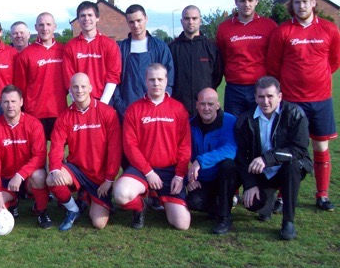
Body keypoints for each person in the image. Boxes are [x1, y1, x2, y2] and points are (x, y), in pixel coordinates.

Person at [267, 0, 340, 212]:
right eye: (297, 2)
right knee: (287, 148)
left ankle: (322, 195)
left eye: (305, 1)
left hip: (320, 100)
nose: (301, 6)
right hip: (291, 101)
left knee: (320, 146)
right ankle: (281, 196)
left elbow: (335, 61)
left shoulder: (330, 30)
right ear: (292, 5)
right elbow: (273, 65)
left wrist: (317, 79)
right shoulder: (283, 31)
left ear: (314, 3)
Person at [113, 64, 191, 230]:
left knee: (182, 224)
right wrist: (148, 172)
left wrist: (179, 175)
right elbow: (130, 146)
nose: (156, 83)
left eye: (160, 79)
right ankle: (140, 206)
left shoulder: (178, 109)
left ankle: (161, 197)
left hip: (170, 172)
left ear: (166, 81)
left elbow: (185, 146)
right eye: (152, 79)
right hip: (142, 169)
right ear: (145, 82)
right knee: (121, 194)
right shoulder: (134, 109)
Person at [234, 76, 312, 241]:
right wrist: (250, 184)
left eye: (270, 96)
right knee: (254, 204)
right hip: (262, 172)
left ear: (280, 97)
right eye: (261, 97)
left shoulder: (295, 114)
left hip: (287, 167)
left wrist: (267, 158)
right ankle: (267, 205)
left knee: (292, 167)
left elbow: (299, 150)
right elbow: (241, 157)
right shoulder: (245, 119)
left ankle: (288, 222)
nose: (265, 101)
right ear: (255, 97)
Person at [47, 72, 121, 231]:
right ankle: (73, 209)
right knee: (52, 178)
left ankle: (87, 198)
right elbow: (56, 146)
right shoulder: (65, 116)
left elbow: (115, 148)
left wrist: (109, 179)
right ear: (70, 90)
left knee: (98, 224)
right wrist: (54, 168)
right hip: (77, 170)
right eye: (75, 87)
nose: (79, 90)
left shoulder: (107, 112)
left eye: (83, 86)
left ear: (90, 88)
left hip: (100, 176)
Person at [0, 85, 51, 228]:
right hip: (6, 181)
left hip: (27, 179)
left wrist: (20, 175)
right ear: (0, 103)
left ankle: (41, 211)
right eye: (6, 102)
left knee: (39, 175)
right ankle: (13, 202)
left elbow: (39, 156)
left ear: (21, 102)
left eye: (13, 101)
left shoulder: (34, 124)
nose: (10, 106)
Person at [216, 0, 277, 117]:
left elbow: (274, 57)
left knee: (261, 130)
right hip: (234, 89)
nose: (246, 4)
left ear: (256, 1)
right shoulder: (224, 28)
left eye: (250, 0)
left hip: (261, 88)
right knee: (235, 129)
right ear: (236, 2)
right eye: (242, 1)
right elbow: (222, 57)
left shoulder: (269, 26)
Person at [186, 88, 238, 234]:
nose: (206, 108)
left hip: (224, 175)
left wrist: (200, 161)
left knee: (228, 165)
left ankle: (224, 217)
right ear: (196, 105)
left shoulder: (229, 121)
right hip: (204, 178)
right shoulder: (190, 124)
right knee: (194, 202)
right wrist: (188, 179)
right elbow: (182, 153)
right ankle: (217, 205)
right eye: (202, 104)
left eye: (210, 104)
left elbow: (230, 149)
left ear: (218, 105)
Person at [112, 4, 175, 122]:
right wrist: (119, 104)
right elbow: (114, 78)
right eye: (131, 22)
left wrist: (162, 102)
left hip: (155, 110)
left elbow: (169, 78)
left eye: (139, 20)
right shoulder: (120, 48)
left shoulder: (160, 47)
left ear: (146, 19)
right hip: (127, 110)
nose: (136, 25)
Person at [14, 12, 68, 140]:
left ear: (54, 27)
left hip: (59, 110)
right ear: (35, 27)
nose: (45, 28)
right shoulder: (26, 54)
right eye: (41, 25)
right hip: (35, 112)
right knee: (37, 153)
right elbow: (20, 87)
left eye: (48, 24)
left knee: (59, 152)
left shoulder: (64, 51)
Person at [62, 1, 121, 104]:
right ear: (78, 20)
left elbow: (113, 75)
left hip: (105, 101)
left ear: (97, 18)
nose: (86, 19)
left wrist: (103, 104)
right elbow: (69, 78)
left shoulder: (109, 44)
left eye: (90, 15)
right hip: (80, 103)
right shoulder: (70, 46)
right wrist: (78, 102)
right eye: (82, 16)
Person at [169, 6, 223, 116]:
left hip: (205, 108)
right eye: (187, 18)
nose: (190, 22)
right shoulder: (172, 48)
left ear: (200, 20)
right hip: (179, 107)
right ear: (181, 21)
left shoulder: (211, 47)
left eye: (194, 18)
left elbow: (217, 75)